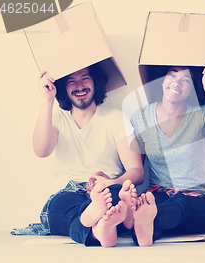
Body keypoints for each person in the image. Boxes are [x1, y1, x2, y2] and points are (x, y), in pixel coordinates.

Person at [129, 58, 205, 246]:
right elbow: (137, 168)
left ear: (192, 90)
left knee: (180, 204)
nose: (176, 83)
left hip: (199, 200)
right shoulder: (141, 117)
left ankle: (149, 221)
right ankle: (145, 226)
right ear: (162, 81)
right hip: (160, 195)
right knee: (153, 205)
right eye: (172, 75)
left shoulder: (202, 112)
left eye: (186, 80)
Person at [32, 63, 144, 247]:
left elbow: (137, 172)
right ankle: (105, 225)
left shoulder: (115, 118)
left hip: (108, 189)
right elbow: (41, 151)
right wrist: (47, 100)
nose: (79, 86)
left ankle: (98, 225)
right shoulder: (57, 118)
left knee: (114, 199)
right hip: (70, 192)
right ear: (63, 88)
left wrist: (112, 183)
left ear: (95, 82)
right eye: (71, 81)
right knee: (57, 208)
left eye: (85, 78)